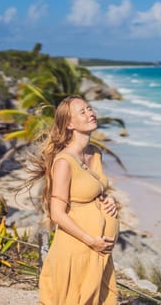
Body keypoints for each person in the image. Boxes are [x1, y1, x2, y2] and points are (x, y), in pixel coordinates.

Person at [25, 95, 119, 304]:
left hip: (99, 252)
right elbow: (57, 213)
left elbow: (95, 188)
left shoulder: (95, 154)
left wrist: (109, 199)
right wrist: (91, 240)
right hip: (78, 249)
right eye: (82, 112)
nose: (90, 113)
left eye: (89, 108)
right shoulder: (64, 162)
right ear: (69, 124)